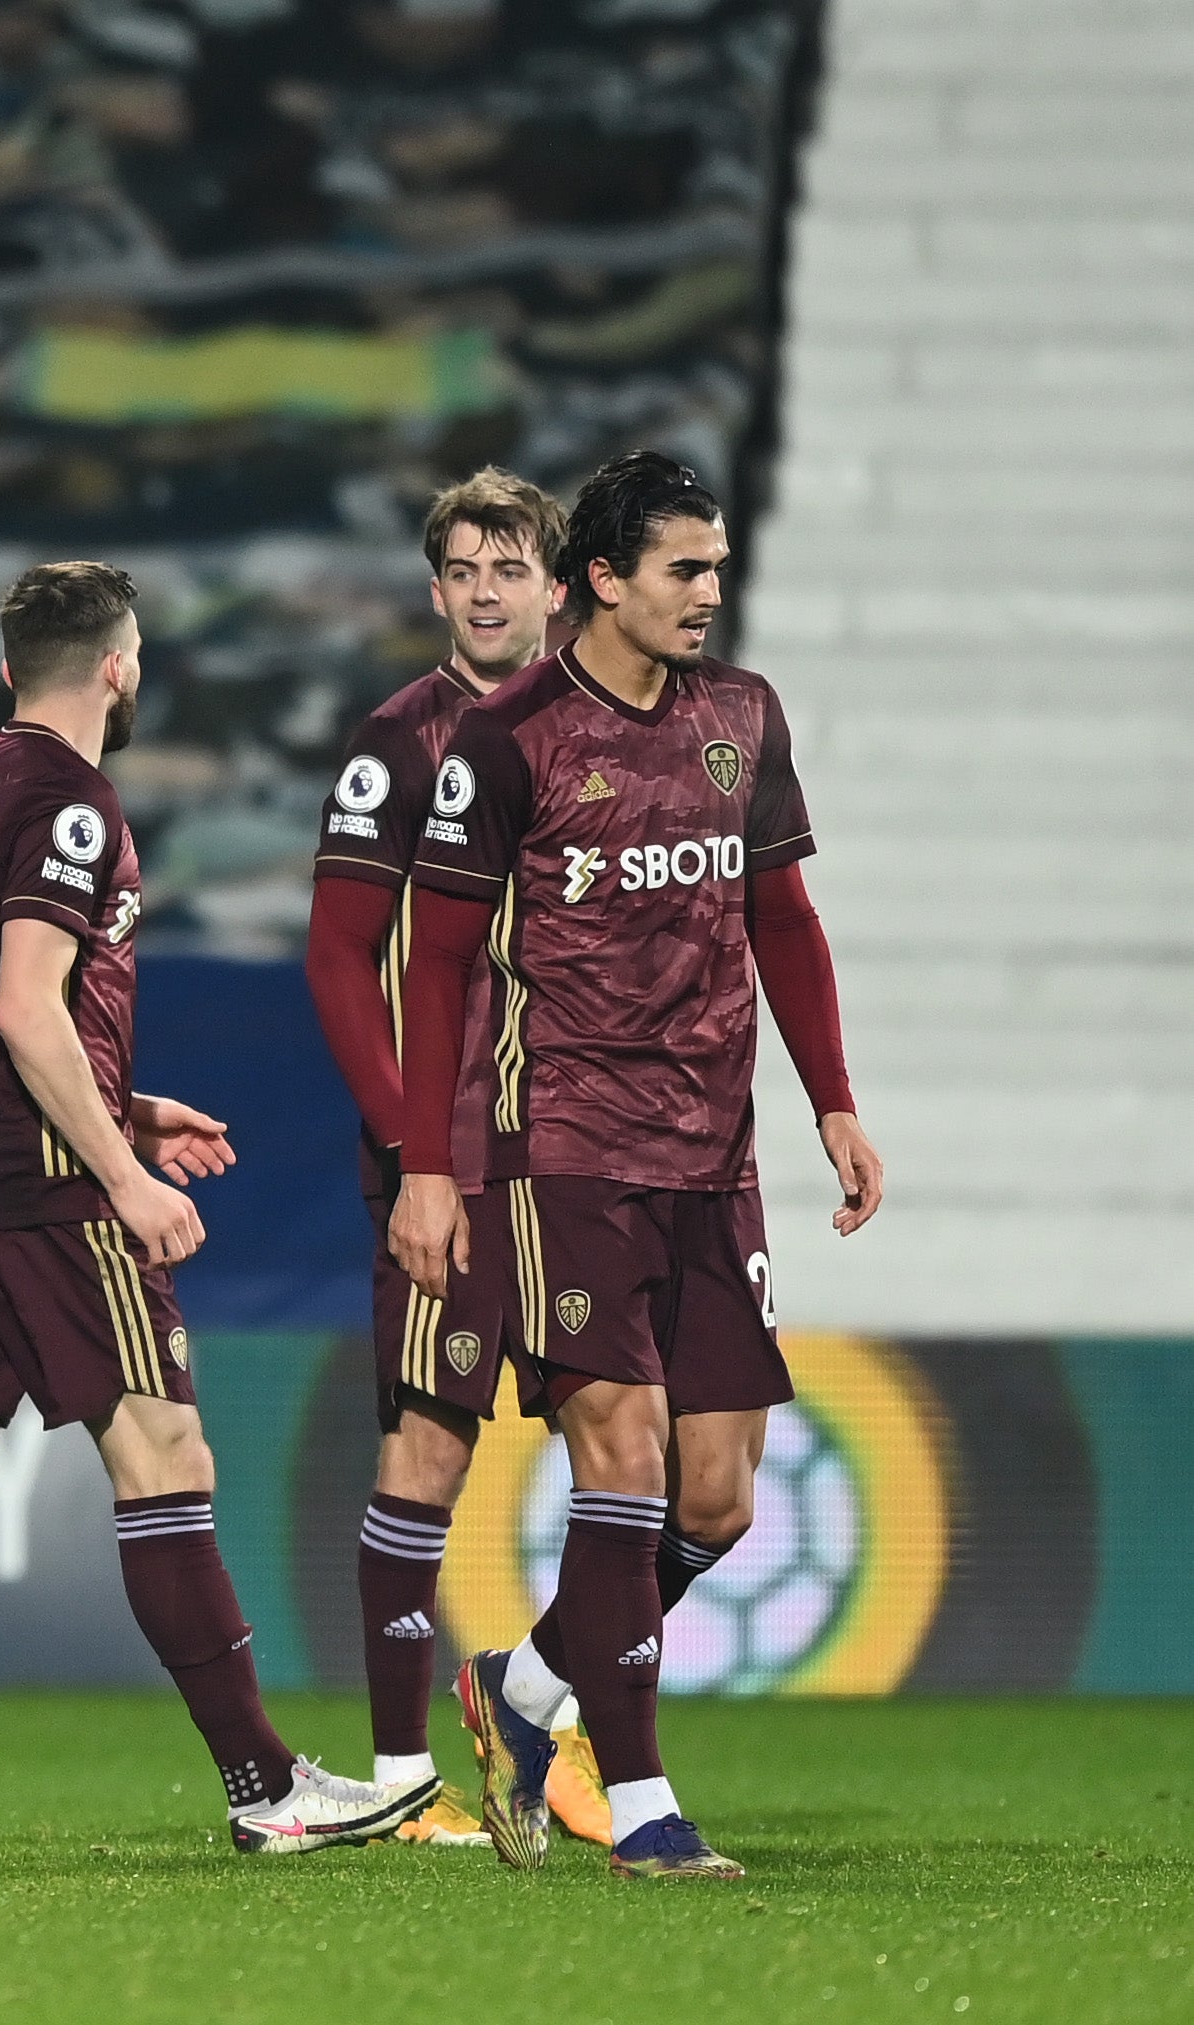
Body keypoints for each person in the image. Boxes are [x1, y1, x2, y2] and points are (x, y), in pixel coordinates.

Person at [0, 560, 425, 1857]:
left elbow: (3, 1004)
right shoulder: (72, 803)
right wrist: (125, 1174)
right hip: (50, 1196)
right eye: (140, 650)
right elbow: (26, 1005)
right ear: (116, 665)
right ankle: (267, 1789)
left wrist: (130, 1102)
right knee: (166, 1458)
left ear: (7, 669)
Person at [390, 451, 885, 1879]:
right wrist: (431, 1163)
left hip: (711, 1150)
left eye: (717, 568)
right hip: (562, 1144)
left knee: (718, 1496)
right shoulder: (511, 739)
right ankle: (646, 1801)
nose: (709, 593)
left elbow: (781, 915)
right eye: (685, 568)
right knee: (619, 1449)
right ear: (602, 579)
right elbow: (431, 962)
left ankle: (528, 1689)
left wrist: (831, 1102)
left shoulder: (741, 715)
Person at [303, 469, 611, 1850]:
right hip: (453, 1159)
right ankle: (392, 1774)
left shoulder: (618, 734)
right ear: (436, 592)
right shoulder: (396, 745)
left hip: (594, 1156)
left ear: (561, 583)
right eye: (464, 569)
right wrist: (409, 1141)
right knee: (425, 1448)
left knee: (630, 1449)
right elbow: (335, 958)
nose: (488, 590)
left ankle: (544, 1716)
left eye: (512, 566)